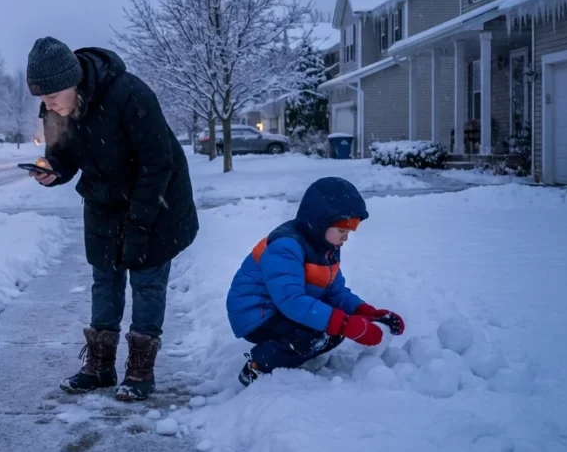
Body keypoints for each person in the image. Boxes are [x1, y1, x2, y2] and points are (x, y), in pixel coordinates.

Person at [26, 36, 198, 402]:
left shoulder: (130, 94)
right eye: (41, 98)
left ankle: (140, 371)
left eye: (53, 95)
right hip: (103, 197)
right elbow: (63, 155)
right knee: (105, 276)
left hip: (157, 196)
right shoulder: (55, 108)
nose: (48, 104)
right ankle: (100, 367)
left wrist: (139, 223)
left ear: (73, 80)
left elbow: (158, 163)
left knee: (147, 278)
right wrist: (52, 170)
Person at [225, 176, 405, 386]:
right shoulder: (285, 247)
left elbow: (335, 292)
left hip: (281, 308)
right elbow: (291, 301)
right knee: (314, 334)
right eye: (342, 231)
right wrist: (346, 325)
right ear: (320, 223)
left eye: (348, 232)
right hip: (256, 313)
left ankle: (287, 353)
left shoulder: (326, 249)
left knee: (331, 331)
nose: (345, 238)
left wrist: (365, 312)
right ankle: (257, 366)